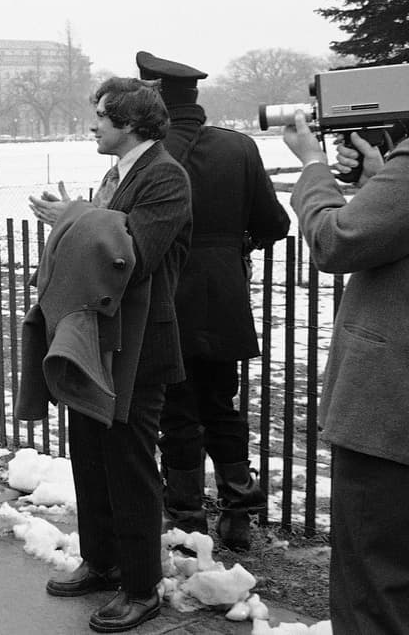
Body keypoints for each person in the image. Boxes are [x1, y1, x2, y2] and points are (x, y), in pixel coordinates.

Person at [283, 22, 409, 634]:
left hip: (403, 426)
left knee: (371, 602)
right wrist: (382, 180)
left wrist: (312, 166)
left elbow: (336, 240)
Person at [29, 77, 191, 633]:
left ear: (130, 122)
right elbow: (99, 242)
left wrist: (71, 217)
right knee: (91, 458)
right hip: (98, 341)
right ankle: (101, 561)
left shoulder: (166, 175)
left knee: (129, 465)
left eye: (101, 116)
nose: (93, 124)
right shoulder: (116, 173)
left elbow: (135, 253)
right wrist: (72, 219)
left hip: (140, 348)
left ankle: (142, 587)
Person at [137, 51, 291, 551]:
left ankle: (185, 516)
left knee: (177, 410)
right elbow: (275, 225)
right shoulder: (239, 147)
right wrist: (233, 245)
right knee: (222, 406)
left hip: (167, 299)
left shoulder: (150, 153)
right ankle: (238, 513)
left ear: (155, 97)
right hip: (224, 297)